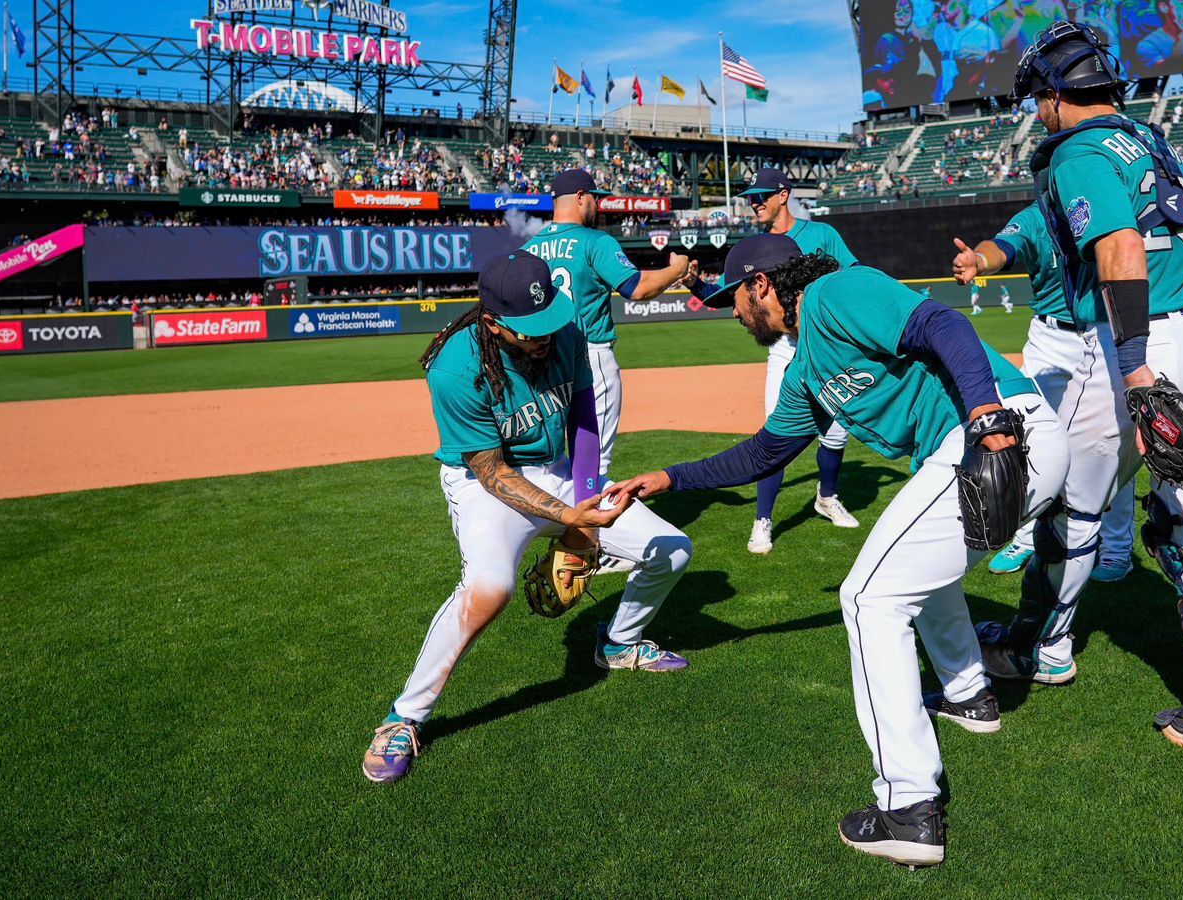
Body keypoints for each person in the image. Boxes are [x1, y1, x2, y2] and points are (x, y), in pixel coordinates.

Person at [608, 234, 1069, 867]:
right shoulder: (804, 370)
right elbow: (764, 453)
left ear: (762, 284)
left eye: (734, 298)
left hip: (999, 436)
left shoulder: (836, 291)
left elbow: (941, 322)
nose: (733, 311)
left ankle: (909, 806)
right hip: (983, 449)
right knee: (915, 581)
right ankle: (970, 695)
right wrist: (668, 478)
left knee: (867, 599)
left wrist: (987, 418)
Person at [990, 21, 1183, 767]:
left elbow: (1119, 249)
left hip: (1151, 345)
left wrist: (1137, 368)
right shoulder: (1149, 139)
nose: (1037, 115)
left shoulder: (1078, 150)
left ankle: (1039, 651)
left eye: (1038, 101)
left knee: (1069, 508)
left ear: (1054, 97)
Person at [361, 251, 695, 785]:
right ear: (493, 322)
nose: (544, 336)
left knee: (672, 549)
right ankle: (405, 717)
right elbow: (493, 472)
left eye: (548, 323)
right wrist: (569, 517)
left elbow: (585, 421)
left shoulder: (565, 334)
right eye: (528, 330)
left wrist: (584, 516)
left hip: (561, 471)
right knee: (490, 589)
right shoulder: (454, 367)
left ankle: (618, 642)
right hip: (483, 484)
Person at [951, 202, 1137, 585]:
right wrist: (980, 262)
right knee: (1027, 439)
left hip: (1107, 331)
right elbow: (1002, 247)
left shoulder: (1106, 201)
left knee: (1112, 445)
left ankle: (1117, 546)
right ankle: (1026, 537)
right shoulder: (1037, 217)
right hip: (1051, 337)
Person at [691, 168, 861, 553]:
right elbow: (726, 297)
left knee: (836, 433)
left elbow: (852, 276)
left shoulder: (822, 235)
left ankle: (827, 498)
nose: (754, 202)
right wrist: (695, 284)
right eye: (750, 197)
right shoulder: (754, 247)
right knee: (775, 432)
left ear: (784, 195)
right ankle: (763, 519)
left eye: (762, 195)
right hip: (784, 348)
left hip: (826, 344)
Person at [523, 169, 692, 479]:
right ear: (579, 198)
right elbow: (637, 288)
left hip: (543, 362)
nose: (597, 206)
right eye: (594, 199)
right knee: (592, 464)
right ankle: (588, 526)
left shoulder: (528, 249)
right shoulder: (596, 241)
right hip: (590, 356)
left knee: (549, 461)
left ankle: (561, 519)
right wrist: (677, 269)